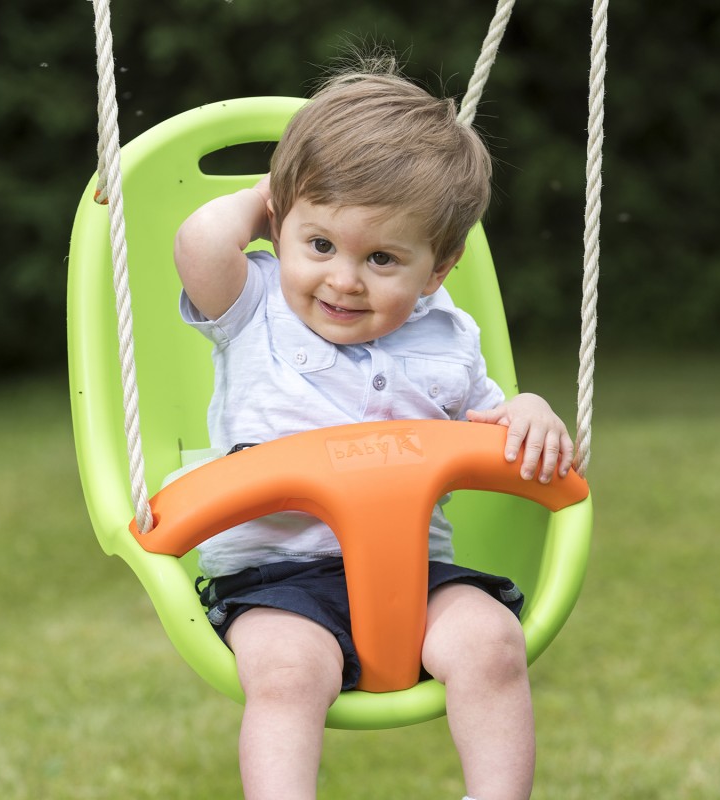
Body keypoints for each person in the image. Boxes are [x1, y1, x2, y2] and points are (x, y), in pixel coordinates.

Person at [174, 60, 574, 800]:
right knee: (290, 674)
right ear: (282, 227)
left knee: (491, 642)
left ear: (437, 269)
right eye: (319, 244)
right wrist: (269, 197)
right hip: (277, 579)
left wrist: (531, 412)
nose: (344, 279)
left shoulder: (447, 337)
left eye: (381, 258)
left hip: (416, 575)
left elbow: (495, 424)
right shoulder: (253, 304)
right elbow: (198, 244)